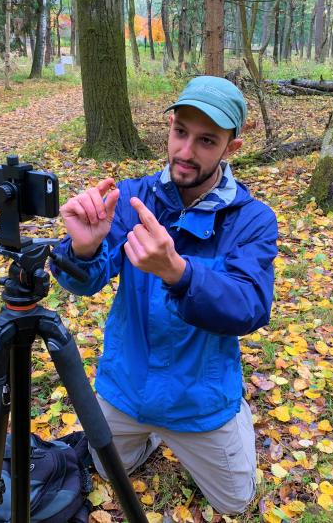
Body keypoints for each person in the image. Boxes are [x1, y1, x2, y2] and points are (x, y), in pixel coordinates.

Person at [50, 76, 278, 514]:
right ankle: (148, 433)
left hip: (200, 402)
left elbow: (249, 307)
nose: (186, 152)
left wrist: (180, 273)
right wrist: (82, 247)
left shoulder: (251, 220)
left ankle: (235, 418)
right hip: (125, 389)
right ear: (170, 127)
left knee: (236, 503)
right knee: (107, 468)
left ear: (232, 148)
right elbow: (85, 281)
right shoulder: (135, 197)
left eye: (206, 140)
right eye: (180, 133)